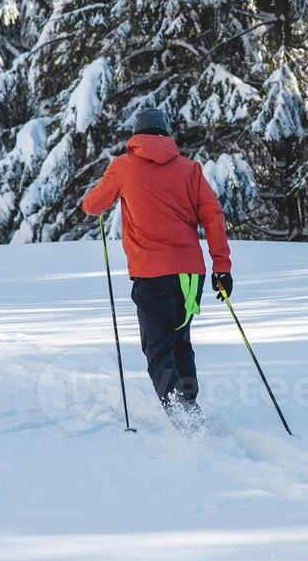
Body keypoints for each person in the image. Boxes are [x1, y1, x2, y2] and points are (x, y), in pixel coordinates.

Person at [82, 106, 232, 421]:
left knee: (158, 348)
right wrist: (222, 267)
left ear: (136, 136)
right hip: (191, 273)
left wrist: (107, 196)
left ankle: (182, 412)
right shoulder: (190, 169)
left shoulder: (123, 167)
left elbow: (92, 205)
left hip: (151, 273)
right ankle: (189, 405)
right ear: (166, 133)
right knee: (180, 341)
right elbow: (213, 217)